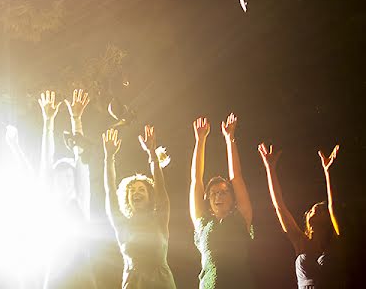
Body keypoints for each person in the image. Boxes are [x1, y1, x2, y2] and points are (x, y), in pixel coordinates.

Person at [259, 143, 341, 288]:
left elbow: (333, 207)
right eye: (311, 210)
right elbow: (279, 206)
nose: (313, 210)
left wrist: (329, 173)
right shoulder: (301, 242)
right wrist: (270, 169)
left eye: (321, 210)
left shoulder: (336, 240)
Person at [103, 126, 176, 289]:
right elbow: (110, 191)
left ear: (150, 195)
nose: (136, 192)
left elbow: (161, 188)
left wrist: (152, 155)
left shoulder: (160, 219)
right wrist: (109, 158)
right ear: (127, 198)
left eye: (141, 189)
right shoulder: (121, 224)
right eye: (132, 190)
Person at [38, 89, 96, 289]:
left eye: (69, 177)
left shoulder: (80, 200)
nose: (65, 181)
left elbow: (81, 161)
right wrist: (48, 122)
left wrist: (76, 118)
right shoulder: (49, 203)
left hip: (82, 274)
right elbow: (45, 162)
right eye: (60, 177)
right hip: (55, 272)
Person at [189, 115, 254, 288]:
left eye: (224, 192)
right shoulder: (202, 223)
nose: (218, 196)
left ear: (233, 198)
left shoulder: (241, 218)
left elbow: (236, 177)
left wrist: (229, 139)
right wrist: (200, 140)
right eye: (213, 193)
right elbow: (196, 180)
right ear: (208, 200)